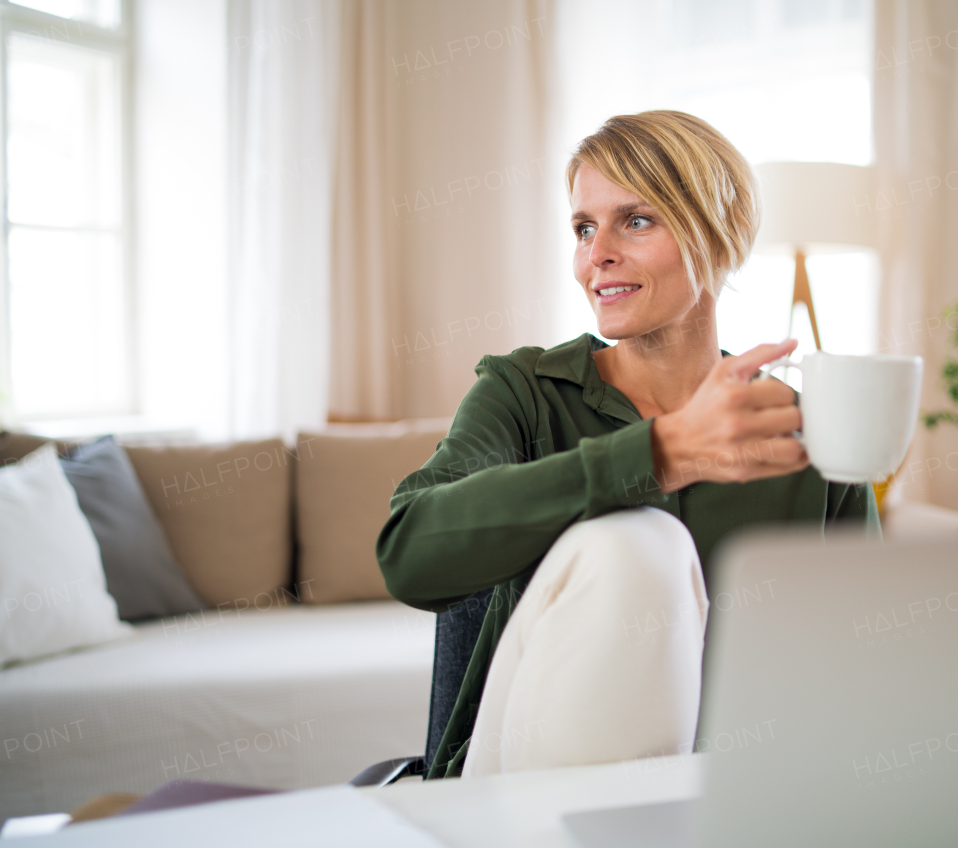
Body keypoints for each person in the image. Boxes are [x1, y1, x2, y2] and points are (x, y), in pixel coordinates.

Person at [376, 110, 879, 779]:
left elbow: (866, 679)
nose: (596, 255)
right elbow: (408, 553)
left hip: (732, 800)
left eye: (635, 220)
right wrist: (659, 455)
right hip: (512, 800)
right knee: (638, 543)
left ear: (719, 234)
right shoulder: (526, 390)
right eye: (584, 228)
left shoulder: (805, 437)